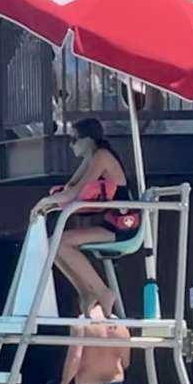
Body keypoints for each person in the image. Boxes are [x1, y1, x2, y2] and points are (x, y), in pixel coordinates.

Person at [33, 117, 141, 317]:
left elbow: (74, 194)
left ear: (88, 139)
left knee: (62, 243)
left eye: (74, 139)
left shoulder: (102, 157)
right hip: (111, 223)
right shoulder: (91, 158)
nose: (71, 144)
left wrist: (42, 204)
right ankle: (86, 292)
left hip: (124, 226)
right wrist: (49, 204)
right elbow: (70, 189)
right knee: (53, 243)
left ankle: (103, 292)